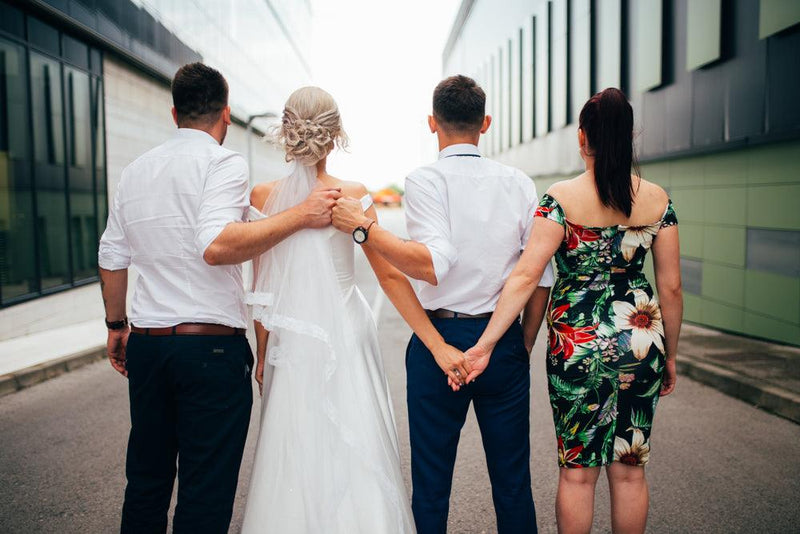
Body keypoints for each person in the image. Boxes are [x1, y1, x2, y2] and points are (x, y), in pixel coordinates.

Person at [97, 63, 340, 534]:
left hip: (147, 346)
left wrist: (115, 326)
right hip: (209, 350)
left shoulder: (135, 171)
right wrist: (302, 214)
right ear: (226, 114)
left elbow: (112, 255)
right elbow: (216, 245)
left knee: (145, 483)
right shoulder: (223, 163)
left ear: (174, 113)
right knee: (204, 494)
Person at [332, 75, 554, 534]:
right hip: (502, 339)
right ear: (485, 123)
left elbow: (433, 262)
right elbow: (538, 280)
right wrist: (519, 344)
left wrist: (366, 230)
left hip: (441, 341)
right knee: (513, 483)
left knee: (431, 485)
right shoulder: (517, 183)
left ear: (432, 123)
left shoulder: (425, 180)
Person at [465, 88, 683, 534]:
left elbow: (526, 276)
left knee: (578, 472)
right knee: (629, 468)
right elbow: (672, 288)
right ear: (628, 138)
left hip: (577, 344)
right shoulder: (658, 200)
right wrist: (671, 355)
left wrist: (487, 343)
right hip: (640, 340)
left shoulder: (560, 198)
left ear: (583, 138)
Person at [241, 86, 426, 533]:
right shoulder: (354, 193)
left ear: (287, 132)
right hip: (346, 326)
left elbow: (262, 288)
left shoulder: (264, 196)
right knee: (353, 435)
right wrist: (432, 338)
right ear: (335, 133)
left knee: (296, 440)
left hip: (291, 335)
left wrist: (263, 354)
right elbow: (387, 275)